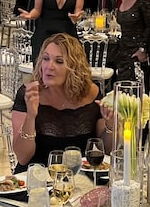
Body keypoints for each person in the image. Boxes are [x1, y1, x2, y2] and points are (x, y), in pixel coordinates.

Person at [12, 33, 114, 170]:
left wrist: (111, 125)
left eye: (59, 61)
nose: (49, 66)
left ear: (74, 67)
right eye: (46, 59)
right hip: (37, 179)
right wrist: (31, 116)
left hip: (80, 178)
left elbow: (106, 151)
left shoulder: (91, 92)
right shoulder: (29, 93)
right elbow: (23, 157)